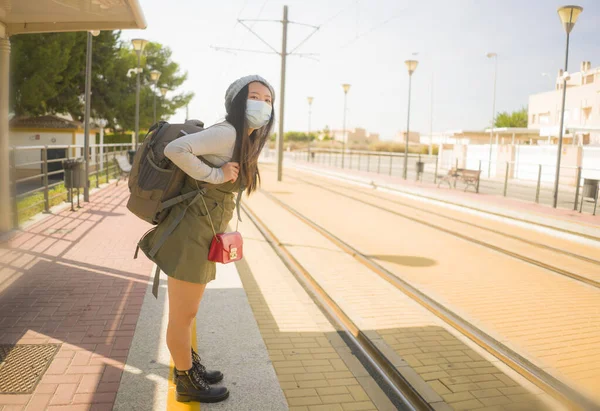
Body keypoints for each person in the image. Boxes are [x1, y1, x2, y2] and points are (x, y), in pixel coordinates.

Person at [137, 75, 275, 403]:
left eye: (268, 100)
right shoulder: (228, 133)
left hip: (202, 233)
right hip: (189, 236)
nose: (262, 104)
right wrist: (215, 175)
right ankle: (186, 383)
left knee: (189, 312)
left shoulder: (245, 138)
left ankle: (189, 366)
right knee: (183, 316)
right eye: (254, 96)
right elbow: (176, 149)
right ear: (238, 101)